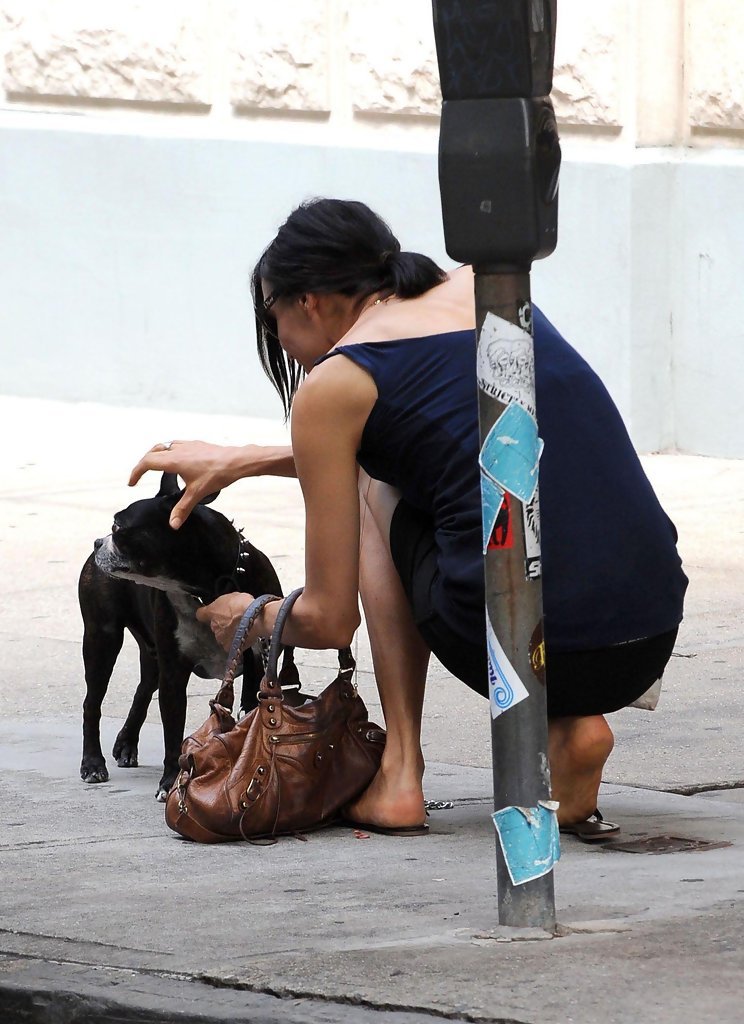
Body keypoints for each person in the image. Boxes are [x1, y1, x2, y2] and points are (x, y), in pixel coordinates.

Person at [129, 198, 688, 838]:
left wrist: (246, 616)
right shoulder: (484, 286)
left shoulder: (337, 381)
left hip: (519, 650)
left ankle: (400, 773)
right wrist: (245, 460)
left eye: (272, 315)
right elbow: (456, 435)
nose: (279, 339)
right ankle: (572, 725)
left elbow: (329, 619)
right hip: (645, 632)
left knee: (372, 481)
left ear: (307, 300)